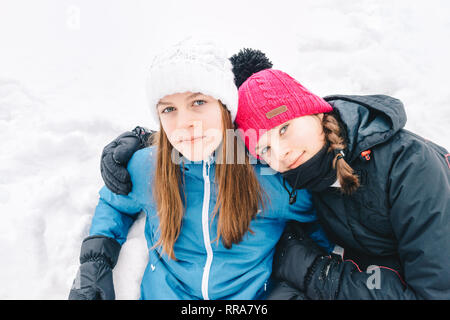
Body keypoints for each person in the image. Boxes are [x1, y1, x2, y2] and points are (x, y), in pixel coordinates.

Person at [100, 49, 450, 299]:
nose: (280, 154)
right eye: (263, 148)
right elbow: (202, 130)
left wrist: (308, 269)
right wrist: (140, 140)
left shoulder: (408, 167)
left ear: (314, 111)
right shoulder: (293, 171)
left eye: (283, 130)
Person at [68, 40, 332, 300]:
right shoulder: (147, 166)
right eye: (169, 109)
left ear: (224, 107)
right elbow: (113, 201)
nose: (185, 123)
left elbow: (317, 225)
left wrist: (295, 288)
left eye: (198, 103)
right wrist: (94, 266)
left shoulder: (266, 173)